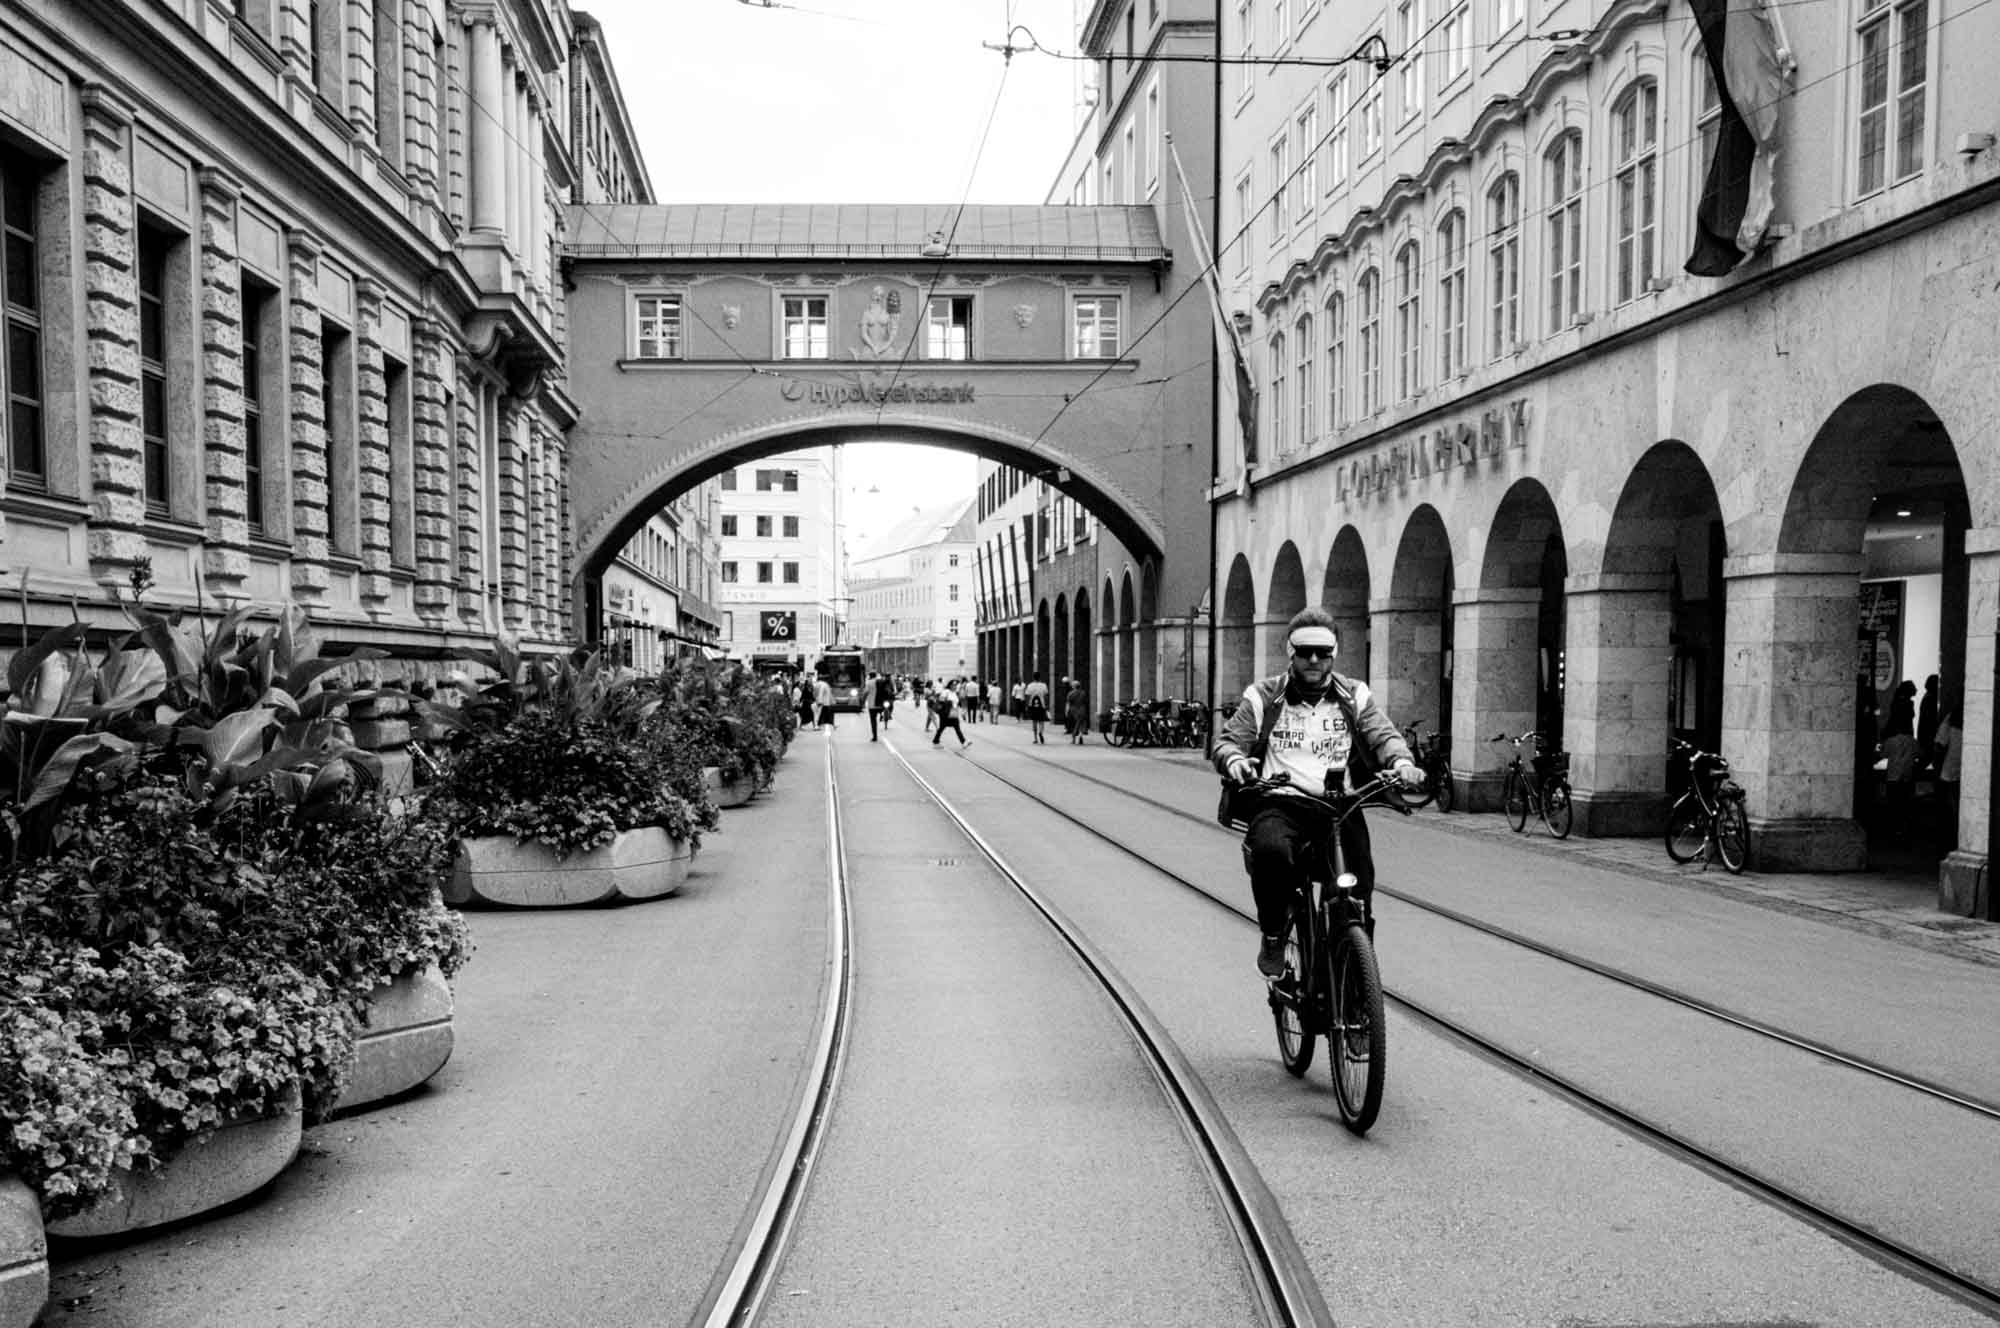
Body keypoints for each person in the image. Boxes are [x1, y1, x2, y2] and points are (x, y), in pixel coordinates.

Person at [1212, 607, 1423, 979]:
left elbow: (1382, 734)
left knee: (1358, 882)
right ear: (1290, 652)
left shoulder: (1354, 694)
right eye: (1305, 651)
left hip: (1338, 807)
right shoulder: (1263, 696)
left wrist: (1402, 763)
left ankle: (1355, 972)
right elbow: (1229, 742)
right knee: (1270, 852)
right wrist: (1235, 762)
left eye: (1322, 652)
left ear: (1334, 654)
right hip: (1281, 803)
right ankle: (1274, 934)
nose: (1313, 659)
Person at [931, 682, 971, 748]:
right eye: (953, 685)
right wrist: (948, 703)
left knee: (956, 726)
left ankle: (963, 742)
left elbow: (956, 703)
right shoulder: (946, 692)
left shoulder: (954, 693)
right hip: (945, 713)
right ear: (950, 686)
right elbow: (941, 701)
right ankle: (936, 742)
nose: (955, 686)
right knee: (942, 727)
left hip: (953, 712)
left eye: (955, 685)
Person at [868, 670, 896, 741]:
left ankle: (875, 736)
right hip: (881, 703)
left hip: (873, 705)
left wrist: (862, 702)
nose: (888, 677)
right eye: (887, 676)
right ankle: (882, 715)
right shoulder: (882, 682)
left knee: (873, 720)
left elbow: (893, 690)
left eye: (888, 676)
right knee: (884, 708)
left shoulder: (870, 682)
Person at [1024, 672, 1051, 744]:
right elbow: (1046, 696)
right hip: (1041, 705)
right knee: (1041, 721)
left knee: (1034, 721)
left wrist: (1027, 706)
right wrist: (1047, 705)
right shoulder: (1044, 685)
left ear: (1033, 677)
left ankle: (1035, 738)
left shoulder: (1030, 685)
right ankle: (1041, 732)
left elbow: (1027, 696)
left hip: (1032, 706)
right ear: (1039, 677)